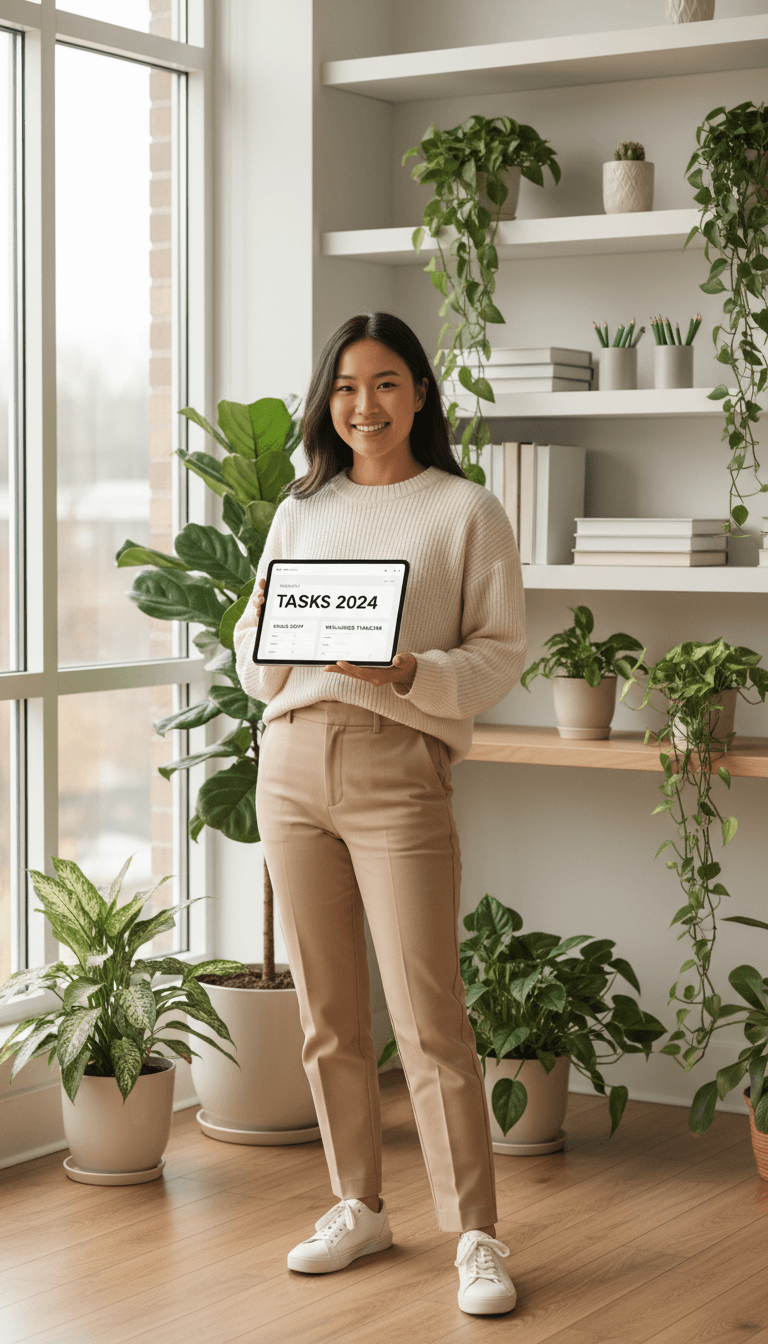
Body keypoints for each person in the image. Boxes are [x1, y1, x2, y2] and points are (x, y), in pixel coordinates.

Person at [234, 311, 526, 1317]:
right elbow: (254, 664)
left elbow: (500, 653)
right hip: (290, 758)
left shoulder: (465, 511)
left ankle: (477, 1235)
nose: (366, 405)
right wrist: (269, 621)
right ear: (328, 402)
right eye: (348, 387)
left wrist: (406, 668)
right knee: (327, 1012)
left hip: (399, 762)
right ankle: (357, 1203)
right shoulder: (299, 510)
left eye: (389, 383)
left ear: (421, 394)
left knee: (428, 1010)